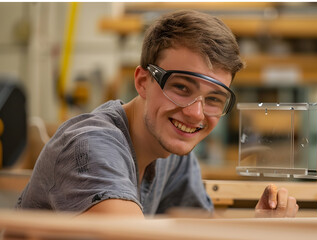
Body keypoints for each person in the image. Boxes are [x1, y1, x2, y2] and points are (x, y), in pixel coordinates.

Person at [16, 9, 298, 218]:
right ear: (142, 82)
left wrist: (260, 223)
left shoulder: (172, 157)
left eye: (214, 99)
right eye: (182, 88)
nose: (196, 114)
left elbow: (199, 232)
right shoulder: (91, 147)